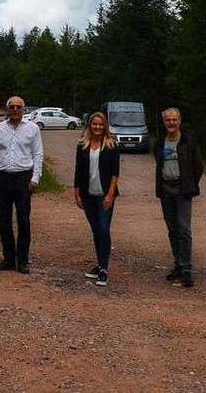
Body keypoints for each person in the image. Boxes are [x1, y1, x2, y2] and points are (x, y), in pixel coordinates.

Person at [0, 96, 43, 274]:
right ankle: (9, 259)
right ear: (7, 109)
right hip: (3, 177)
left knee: (24, 221)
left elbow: (38, 154)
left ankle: (23, 260)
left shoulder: (33, 129)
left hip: (23, 178)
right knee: (4, 222)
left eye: (18, 107)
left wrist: (35, 178)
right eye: (12, 106)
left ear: (23, 109)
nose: (15, 109)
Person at [154, 107, 203, 288]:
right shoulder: (160, 143)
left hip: (183, 191)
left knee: (184, 229)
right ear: (164, 122)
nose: (171, 123)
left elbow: (198, 166)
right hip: (166, 191)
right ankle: (177, 264)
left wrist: (189, 183)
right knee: (172, 229)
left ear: (180, 120)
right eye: (168, 120)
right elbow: (159, 163)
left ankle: (186, 268)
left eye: (174, 120)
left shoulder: (188, 141)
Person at [74, 111, 119, 287]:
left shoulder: (111, 146)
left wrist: (110, 194)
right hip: (88, 195)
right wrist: (76, 192)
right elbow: (78, 170)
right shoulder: (82, 146)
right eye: (95, 124)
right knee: (95, 230)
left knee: (103, 228)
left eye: (100, 124)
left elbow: (115, 173)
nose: (97, 127)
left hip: (105, 195)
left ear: (104, 126)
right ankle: (100, 264)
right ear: (90, 125)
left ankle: (104, 270)